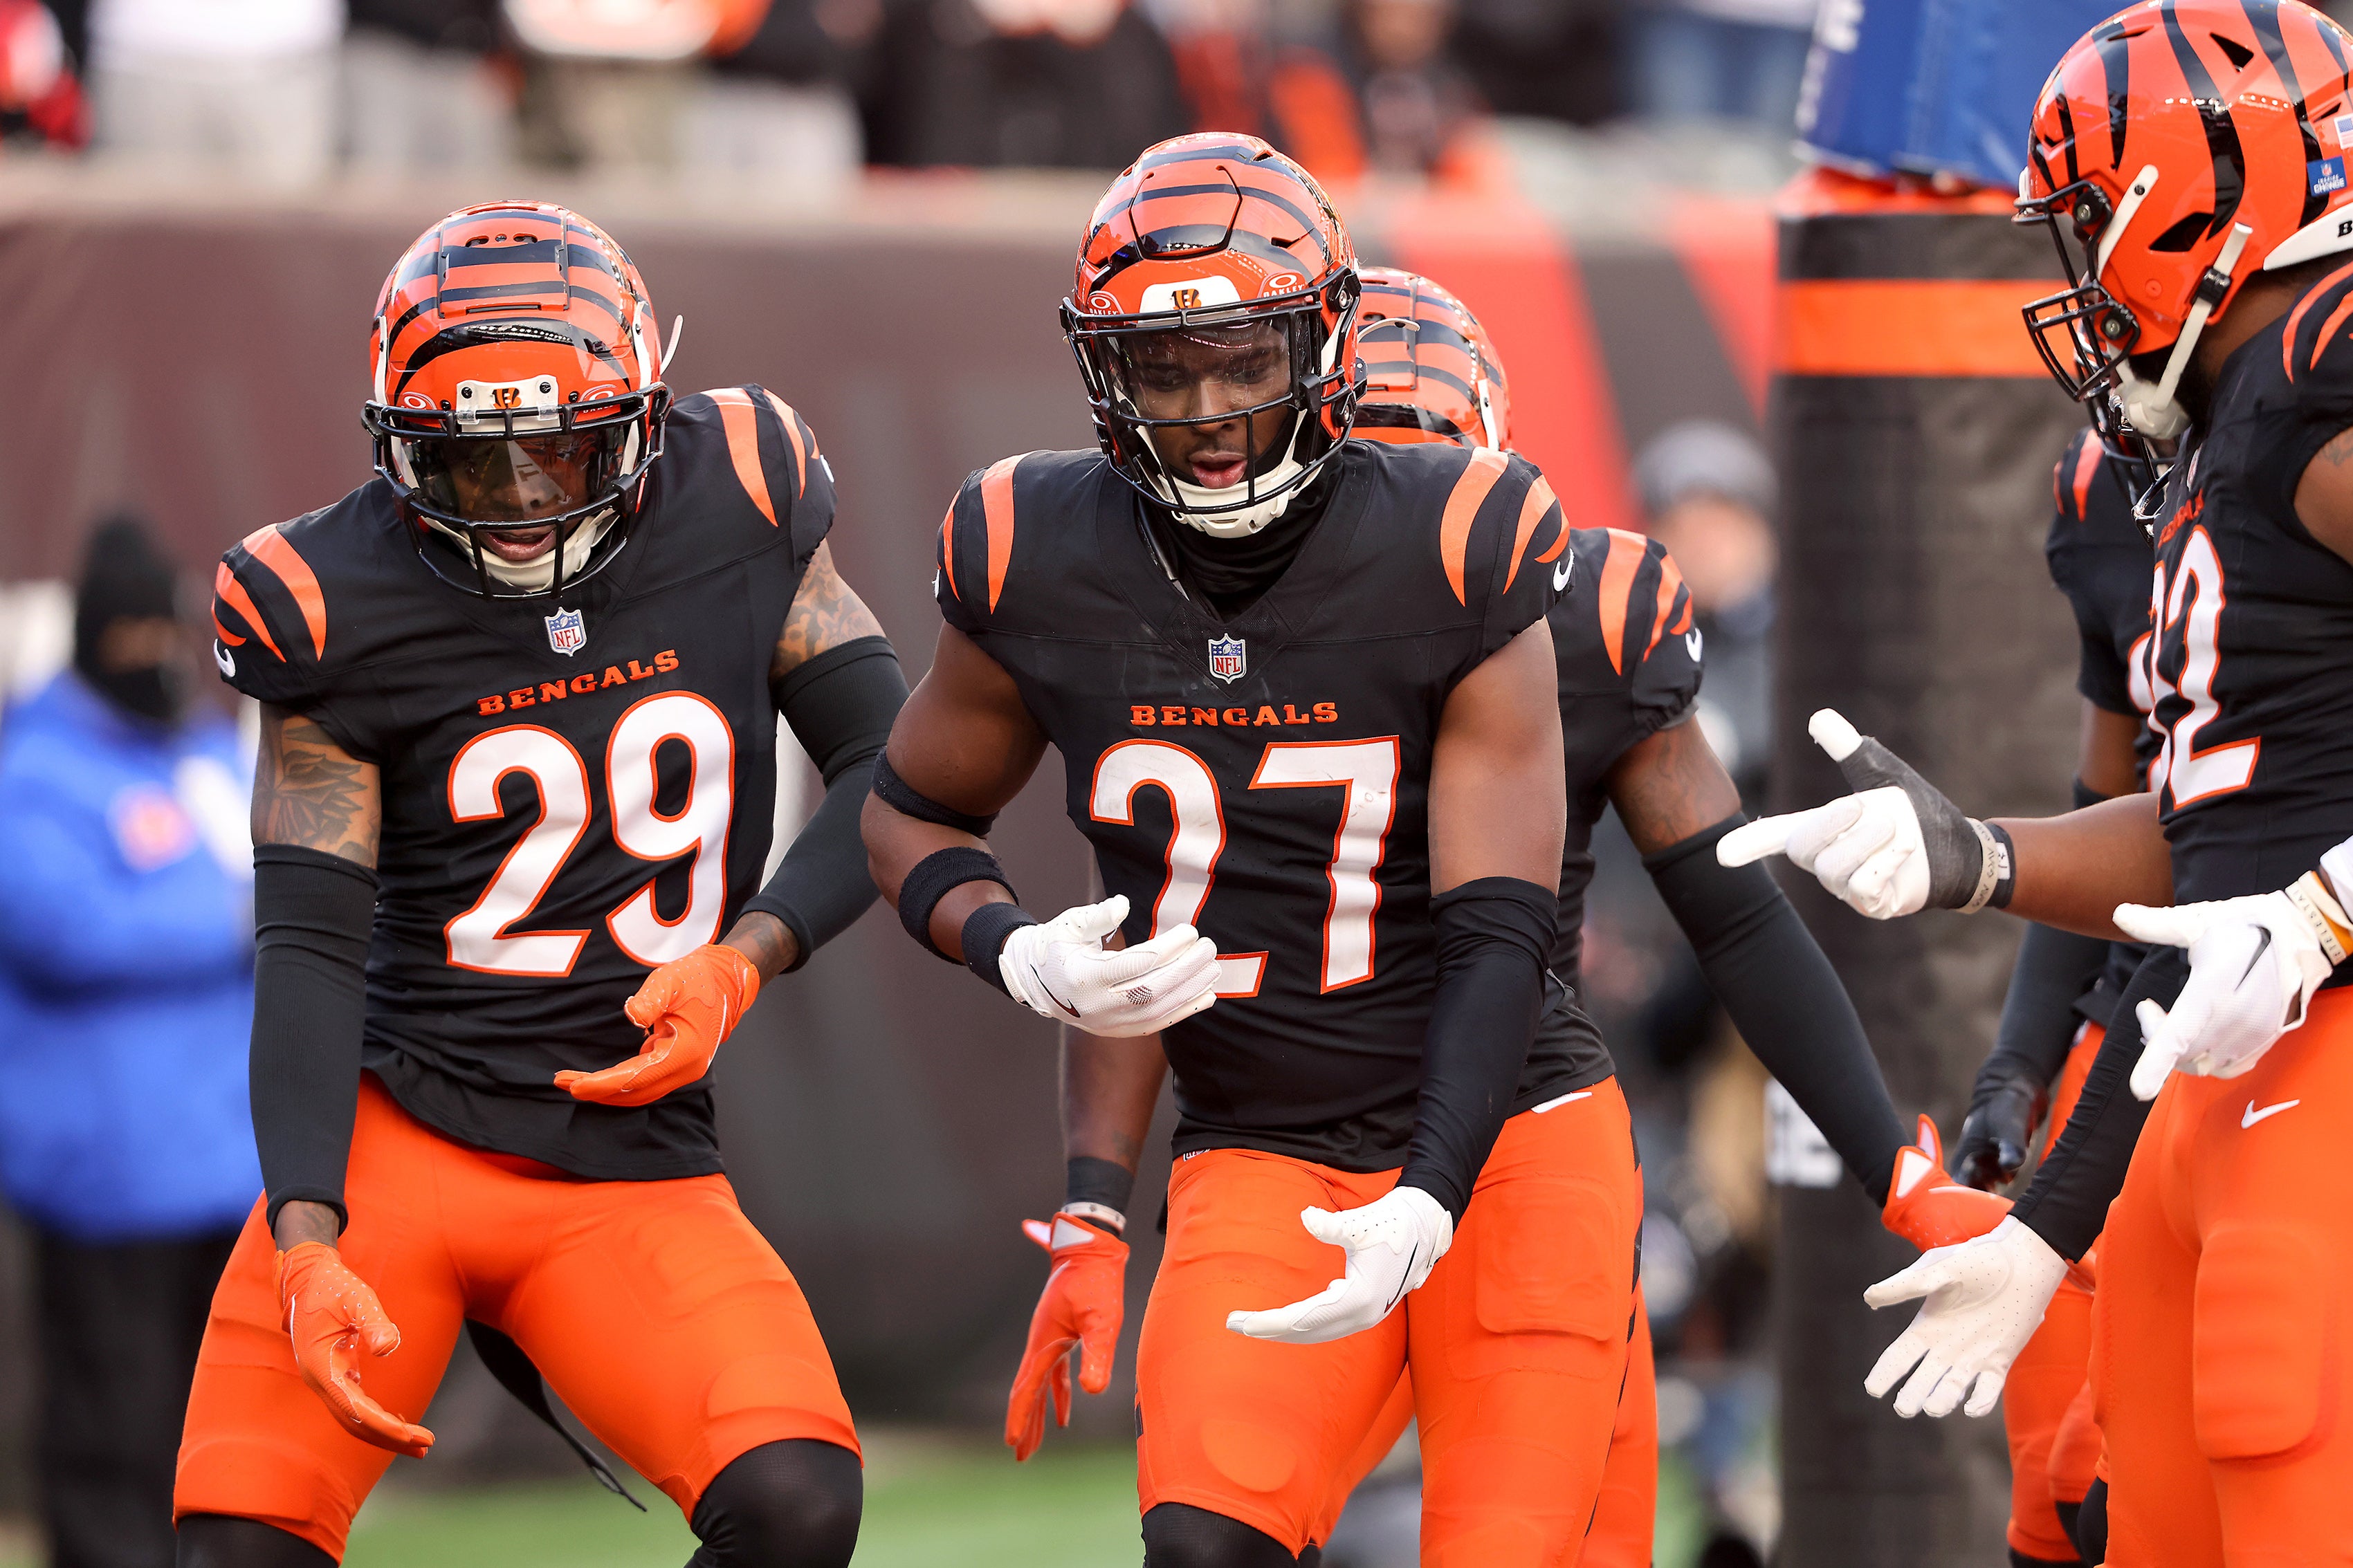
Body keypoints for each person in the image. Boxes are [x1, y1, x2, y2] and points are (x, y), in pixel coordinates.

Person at [863, 147, 2004, 1565]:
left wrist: (1897, 1171)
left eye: (1431, 462)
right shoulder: (1087, 564)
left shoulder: (1546, 597)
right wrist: (1092, 1198)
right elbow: (1149, 932)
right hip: (1266, 1143)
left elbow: (1715, 919)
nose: (1221, 423)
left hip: (1515, 1135)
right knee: (1201, 1538)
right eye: (1177, 372)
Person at [178, 201, 906, 1568]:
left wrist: (748, 953)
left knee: (800, 1502)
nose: (520, 495)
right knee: (243, 1544)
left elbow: (895, 762)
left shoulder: (740, 489)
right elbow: (312, 937)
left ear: (640, 408)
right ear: (399, 448)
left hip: (628, 1165)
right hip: (408, 1138)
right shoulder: (327, 597)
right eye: (471, 460)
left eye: (557, 446)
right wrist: (308, 1235)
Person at [1721, 4, 2353, 1557]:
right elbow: (2219, 827)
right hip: (2207, 1074)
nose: (2074, 272)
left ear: (2190, 198)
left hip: (2321, 1061)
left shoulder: (2334, 357)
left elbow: (2282, 878)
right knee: (2126, 1514)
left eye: (2089, 218)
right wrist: (1979, 860)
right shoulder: (2219, 419)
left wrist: (2331, 911)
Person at [0, 517, 257, 1568]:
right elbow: (61, 927)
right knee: (114, 1432)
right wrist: (238, 920)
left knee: (227, 1433)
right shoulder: (38, 768)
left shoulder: (202, 744)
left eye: (168, 630)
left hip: (224, 1162)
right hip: (104, 1173)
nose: (154, 653)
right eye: (133, 633)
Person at [1949, 425, 2151, 1568]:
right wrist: (2015, 1071)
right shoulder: (2105, 484)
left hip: (2263, 1020)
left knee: (2116, 1475)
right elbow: (2110, 804)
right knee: (2047, 1496)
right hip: (2115, 1032)